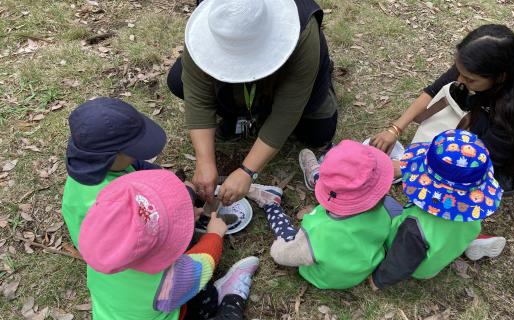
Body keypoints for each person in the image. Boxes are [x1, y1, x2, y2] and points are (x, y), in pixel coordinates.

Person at [370, 24, 514, 196]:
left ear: (500, 77)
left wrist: (405, 166)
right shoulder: (493, 57)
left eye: (469, 79)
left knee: (474, 160)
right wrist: (395, 129)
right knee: (476, 124)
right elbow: (434, 89)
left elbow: (481, 155)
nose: (460, 80)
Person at [167, 0, 338, 207]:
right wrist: (204, 161)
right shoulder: (207, 20)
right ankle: (243, 113)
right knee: (178, 80)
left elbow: (288, 109)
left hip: (291, 78)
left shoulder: (301, 28)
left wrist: (248, 171)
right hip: (242, 87)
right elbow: (198, 95)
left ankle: (313, 82)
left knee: (319, 133)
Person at [78, 170, 260, 320]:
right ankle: (230, 297)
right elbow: (204, 263)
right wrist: (214, 234)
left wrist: (182, 215)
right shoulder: (167, 280)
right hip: (171, 304)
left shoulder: (100, 260)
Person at [247, 140, 397, 289]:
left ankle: (271, 203)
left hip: (326, 277)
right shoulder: (384, 210)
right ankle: (318, 178)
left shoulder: (319, 231)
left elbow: (283, 256)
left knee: (289, 237)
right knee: (341, 191)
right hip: (364, 265)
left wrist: (276, 249)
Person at [371, 130, 504, 289]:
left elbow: (400, 262)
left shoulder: (414, 227)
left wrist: (378, 280)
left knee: (386, 204)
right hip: (446, 250)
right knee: (449, 234)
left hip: (420, 268)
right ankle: (468, 244)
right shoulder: (474, 207)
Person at [61, 97, 166, 248]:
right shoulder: (110, 200)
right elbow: (150, 223)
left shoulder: (88, 161)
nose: (136, 156)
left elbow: (136, 164)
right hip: (111, 250)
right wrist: (186, 196)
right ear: (112, 157)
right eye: (133, 151)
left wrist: (164, 177)